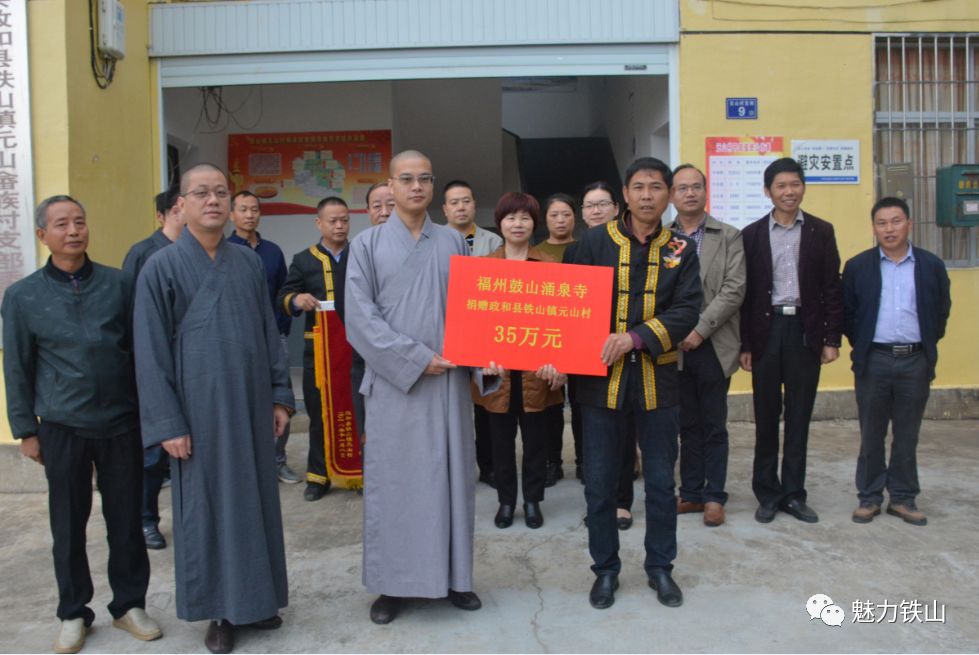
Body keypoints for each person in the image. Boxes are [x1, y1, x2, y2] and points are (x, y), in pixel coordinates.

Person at [133, 164, 294, 654]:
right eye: (200, 193)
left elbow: (269, 333)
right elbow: (150, 351)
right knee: (209, 511)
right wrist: (168, 423)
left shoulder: (245, 262)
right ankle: (221, 611)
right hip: (197, 415)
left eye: (221, 192)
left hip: (248, 405)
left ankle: (258, 599)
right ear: (180, 204)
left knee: (257, 504)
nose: (213, 201)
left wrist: (279, 395)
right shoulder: (160, 267)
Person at [344, 150, 501, 625]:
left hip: (449, 384)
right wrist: (415, 359)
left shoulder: (454, 243)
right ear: (389, 186)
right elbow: (359, 318)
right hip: (397, 386)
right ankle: (393, 586)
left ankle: (454, 579)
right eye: (406, 179)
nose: (416, 187)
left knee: (450, 480)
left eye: (424, 179)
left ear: (433, 188)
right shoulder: (367, 245)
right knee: (396, 485)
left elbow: (472, 313)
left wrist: (484, 357)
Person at [3, 195, 162, 654]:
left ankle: (130, 605)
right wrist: (26, 430)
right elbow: (17, 367)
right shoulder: (23, 296)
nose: (73, 230)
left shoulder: (118, 285)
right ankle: (74, 612)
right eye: (61, 224)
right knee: (68, 525)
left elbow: (141, 352)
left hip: (120, 424)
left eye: (79, 221)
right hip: (62, 427)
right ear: (42, 236)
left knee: (126, 521)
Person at [572, 157, 702, 610]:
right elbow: (571, 304)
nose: (647, 195)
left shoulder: (682, 249)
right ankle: (605, 570)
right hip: (599, 385)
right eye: (639, 187)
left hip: (658, 382)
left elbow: (687, 310)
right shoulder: (591, 242)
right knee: (601, 483)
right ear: (624, 194)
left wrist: (635, 338)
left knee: (663, 482)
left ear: (668, 195)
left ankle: (660, 568)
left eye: (656, 187)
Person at [739, 157, 844, 525]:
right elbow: (745, 295)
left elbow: (833, 286)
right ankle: (767, 493)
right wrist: (746, 346)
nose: (789, 191)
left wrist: (831, 338)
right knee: (766, 417)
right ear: (768, 191)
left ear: (803, 187)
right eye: (781, 186)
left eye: (795, 184)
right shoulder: (750, 235)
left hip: (804, 332)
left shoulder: (821, 231)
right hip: (766, 333)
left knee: (799, 417)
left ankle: (794, 494)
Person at [843, 196, 951, 526]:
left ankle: (903, 497)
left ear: (909, 225)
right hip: (874, 359)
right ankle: (870, 496)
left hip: (915, 360)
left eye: (896, 221)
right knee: (871, 432)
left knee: (907, 433)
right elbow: (849, 314)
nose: (889, 229)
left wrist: (924, 345)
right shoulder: (858, 266)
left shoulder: (930, 265)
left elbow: (940, 312)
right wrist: (863, 347)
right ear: (874, 228)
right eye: (882, 223)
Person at [473, 192, 566, 530]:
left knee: (535, 443)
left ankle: (532, 501)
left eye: (525, 218)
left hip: (536, 373)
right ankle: (506, 501)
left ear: (533, 224)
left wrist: (560, 363)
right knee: (499, 441)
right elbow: (473, 325)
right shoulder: (482, 270)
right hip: (495, 373)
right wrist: (479, 359)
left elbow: (564, 323)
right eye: (511, 218)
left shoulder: (550, 267)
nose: (517, 224)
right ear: (499, 223)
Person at [670, 164, 745, 528]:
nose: (689, 193)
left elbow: (734, 288)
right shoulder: (660, 237)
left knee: (714, 423)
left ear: (705, 191)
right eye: (682, 188)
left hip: (714, 344)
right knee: (686, 423)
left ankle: (715, 495)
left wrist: (698, 330)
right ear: (672, 195)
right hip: (673, 347)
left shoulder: (728, 236)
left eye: (696, 187)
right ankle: (690, 493)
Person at [277, 196, 351, 501]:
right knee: (320, 413)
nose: (338, 226)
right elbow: (284, 295)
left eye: (344, 220)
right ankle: (318, 476)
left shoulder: (361, 254)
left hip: (357, 349)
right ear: (318, 223)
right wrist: (296, 300)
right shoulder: (304, 259)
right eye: (332, 220)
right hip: (318, 353)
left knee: (360, 412)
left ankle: (361, 472)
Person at [122, 189, 184, 550]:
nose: (183, 214)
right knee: (153, 455)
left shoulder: (203, 253)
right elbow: (131, 314)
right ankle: (147, 519)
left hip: (190, 367)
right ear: (161, 216)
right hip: (153, 366)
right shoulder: (143, 253)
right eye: (176, 210)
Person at [227, 191, 300, 485]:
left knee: (281, 399)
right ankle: (246, 467)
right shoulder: (225, 250)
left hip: (274, 338)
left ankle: (278, 461)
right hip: (239, 341)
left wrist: (281, 326)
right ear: (232, 215)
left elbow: (284, 291)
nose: (249, 215)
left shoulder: (272, 251)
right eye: (243, 210)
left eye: (254, 209)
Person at [442, 179, 503, 487]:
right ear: (445, 208)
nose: (461, 207)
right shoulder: (434, 241)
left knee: (485, 402)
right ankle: (453, 468)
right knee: (450, 405)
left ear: (474, 204)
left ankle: (488, 466)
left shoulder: (493, 242)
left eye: (466, 201)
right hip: (447, 331)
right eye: (454, 202)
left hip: (484, 333)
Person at [531, 193, 579, 488]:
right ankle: (553, 462)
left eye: (566, 214)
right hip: (545, 337)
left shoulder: (587, 248)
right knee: (550, 405)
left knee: (584, 404)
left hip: (579, 336)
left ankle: (585, 461)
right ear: (544, 220)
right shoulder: (534, 252)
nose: (560, 220)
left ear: (576, 217)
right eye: (554, 215)